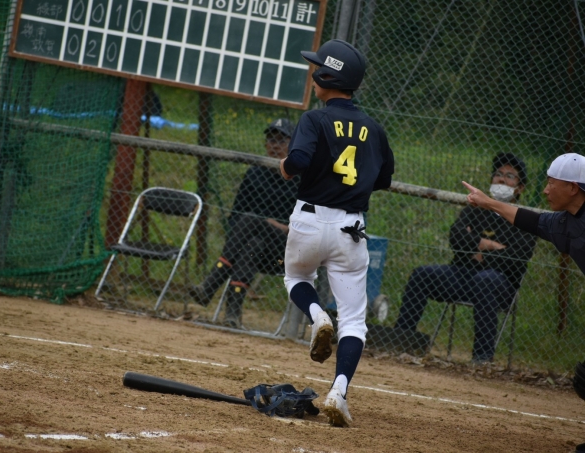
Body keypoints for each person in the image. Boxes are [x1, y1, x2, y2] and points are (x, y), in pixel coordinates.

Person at [279, 39, 394, 427]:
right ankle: (338, 393)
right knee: (354, 321)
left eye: (318, 70)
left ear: (328, 79)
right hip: (350, 228)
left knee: (297, 277)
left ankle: (316, 316)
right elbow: (383, 179)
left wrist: (285, 167)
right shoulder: (374, 128)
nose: (313, 75)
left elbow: (298, 159)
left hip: (309, 220)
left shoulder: (315, 119)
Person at [393, 153, 537, 363]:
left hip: (500, 285)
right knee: (422, 275)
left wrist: (477, 252)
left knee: (485, 280)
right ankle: (400, 341)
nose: (501, 180)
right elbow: (456, 237)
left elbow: (515, 260)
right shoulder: (476, 209)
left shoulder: (524, 218)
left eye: (509, 176)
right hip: (463, 275)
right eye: (498, 174)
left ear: (520, 187)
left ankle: (481, 359)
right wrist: (490, 246)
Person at [189, 118, 298, 328]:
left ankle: (211, 283)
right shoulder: (255, 173)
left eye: (281, 140)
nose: (274, 145)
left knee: (250, 220)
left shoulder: (300, 179)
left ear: (293, 145)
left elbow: (298, 228)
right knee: (252, 243)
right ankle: (232, 315)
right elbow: (235, 217)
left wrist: (270, 224)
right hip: (253, 250)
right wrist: (261, 223)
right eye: (271, 140)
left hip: (284, 251)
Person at [463, 152, 585, 275]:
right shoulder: (564, 221)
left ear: (573, 188)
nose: (545, 190)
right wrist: (488, 202)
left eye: (551, 183)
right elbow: (533, 221)